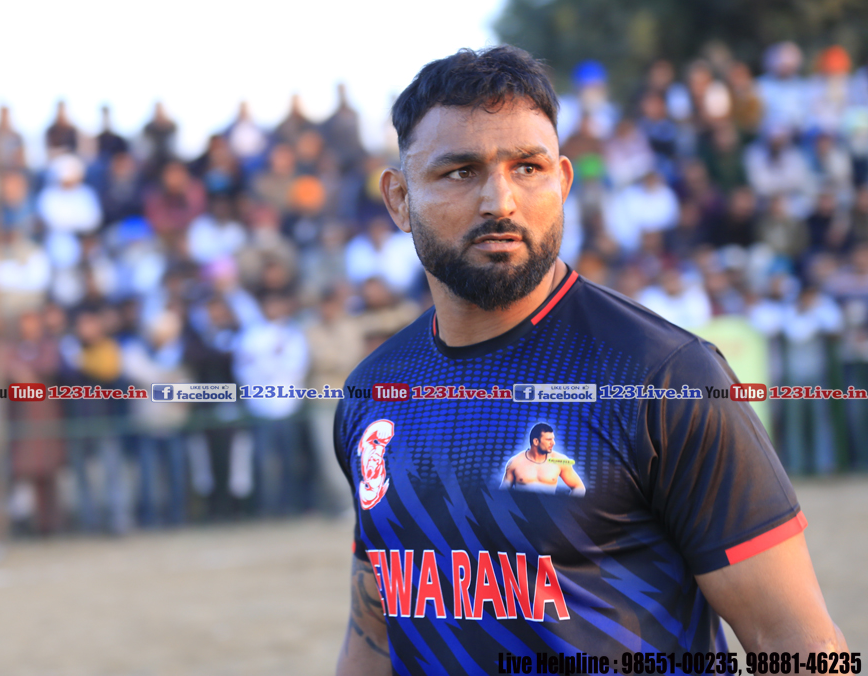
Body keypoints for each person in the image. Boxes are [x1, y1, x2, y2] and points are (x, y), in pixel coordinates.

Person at [334, 46, 846, 675]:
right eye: (460, 172)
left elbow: (797, 643)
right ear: (398, 199)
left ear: (563, 182)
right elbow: (374, 630)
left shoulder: (667, 378)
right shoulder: (372, 393)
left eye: (528, 167)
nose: (500, 201)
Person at [500, 422, 585, 495]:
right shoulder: (515, 462)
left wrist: (565, 506)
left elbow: (579, 487)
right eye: (549, 439)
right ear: (536, 441)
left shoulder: (560, 461)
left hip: (549, 509)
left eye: (553, 439)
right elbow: (502, 494)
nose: (553, 443)